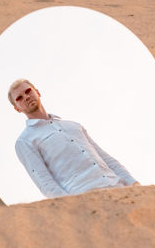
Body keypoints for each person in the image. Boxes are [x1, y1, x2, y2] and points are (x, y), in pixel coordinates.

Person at [8, 78, 141, 198]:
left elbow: (105, 158)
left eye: (28, 91)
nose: (26, 97)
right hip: (84, 195)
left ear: (37, 92)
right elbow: (44, 181)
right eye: (19, 98)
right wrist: (69, 206)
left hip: (119, 188)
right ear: (17, 108)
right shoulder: (25, 141)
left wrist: (132, 183)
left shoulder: (73, 125)